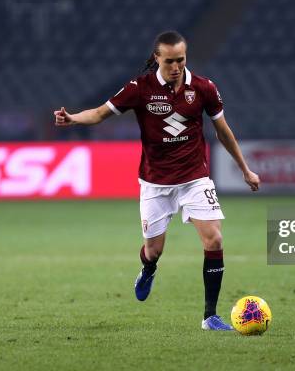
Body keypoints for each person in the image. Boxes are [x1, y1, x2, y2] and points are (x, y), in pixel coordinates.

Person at [53, 30, 260, 331]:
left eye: (181, 60)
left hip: (195, 178)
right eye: (170, 61)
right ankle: (148, 269)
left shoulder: (203, 88)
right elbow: (99, 114)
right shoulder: (140, 88)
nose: (176, 67)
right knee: (154, 250)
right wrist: (72, 118)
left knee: (214, 238)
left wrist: (245, 169)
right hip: (155, 183)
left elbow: (223, 130)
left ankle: (209, 316)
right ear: (156, 59)